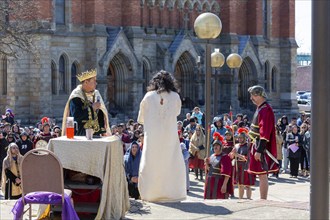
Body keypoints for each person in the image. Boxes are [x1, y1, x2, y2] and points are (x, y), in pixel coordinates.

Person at [137, 70, 186, 202]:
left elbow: (141, 118)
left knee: (152, 163)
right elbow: (177, 112)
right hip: (169, 136)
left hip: (152, 136)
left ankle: (150, 193)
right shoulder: (175, 96)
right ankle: (172, 193)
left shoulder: (148, 96)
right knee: (170, 162)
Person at [247, 85, 278, 200]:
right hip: (256, 144)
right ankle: (262, 199)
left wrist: (259, 150)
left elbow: (264, 132)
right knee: (261, 174)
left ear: (259, 95)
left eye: (253, 95)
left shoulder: (266, 109)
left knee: (262, 174)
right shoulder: (260, 108)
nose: (251, 98)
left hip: (261, 147)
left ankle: (263, 200)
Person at [62, 69, 111, 137]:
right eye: (93, 81)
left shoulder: (96, 93)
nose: (96, 83)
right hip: (81, 133)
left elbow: (100, 112)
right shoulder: (76, 96)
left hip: (96, 133)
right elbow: (76, 115)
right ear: (86, 82)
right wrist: (92, 108)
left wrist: (103, 131)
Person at [231, 128, 255, 199]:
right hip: (238, 166)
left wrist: (237, 155)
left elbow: (246, 158)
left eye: (241, 138)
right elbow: (232, 156)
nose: (240, 139)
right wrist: (233, 153)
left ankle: (249, 199)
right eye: (239, 138)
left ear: (245, 138)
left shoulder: (248, 146)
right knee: (240, 185)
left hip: (245, 166)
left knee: (247, 185)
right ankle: (241, 199)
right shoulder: (236, 146)